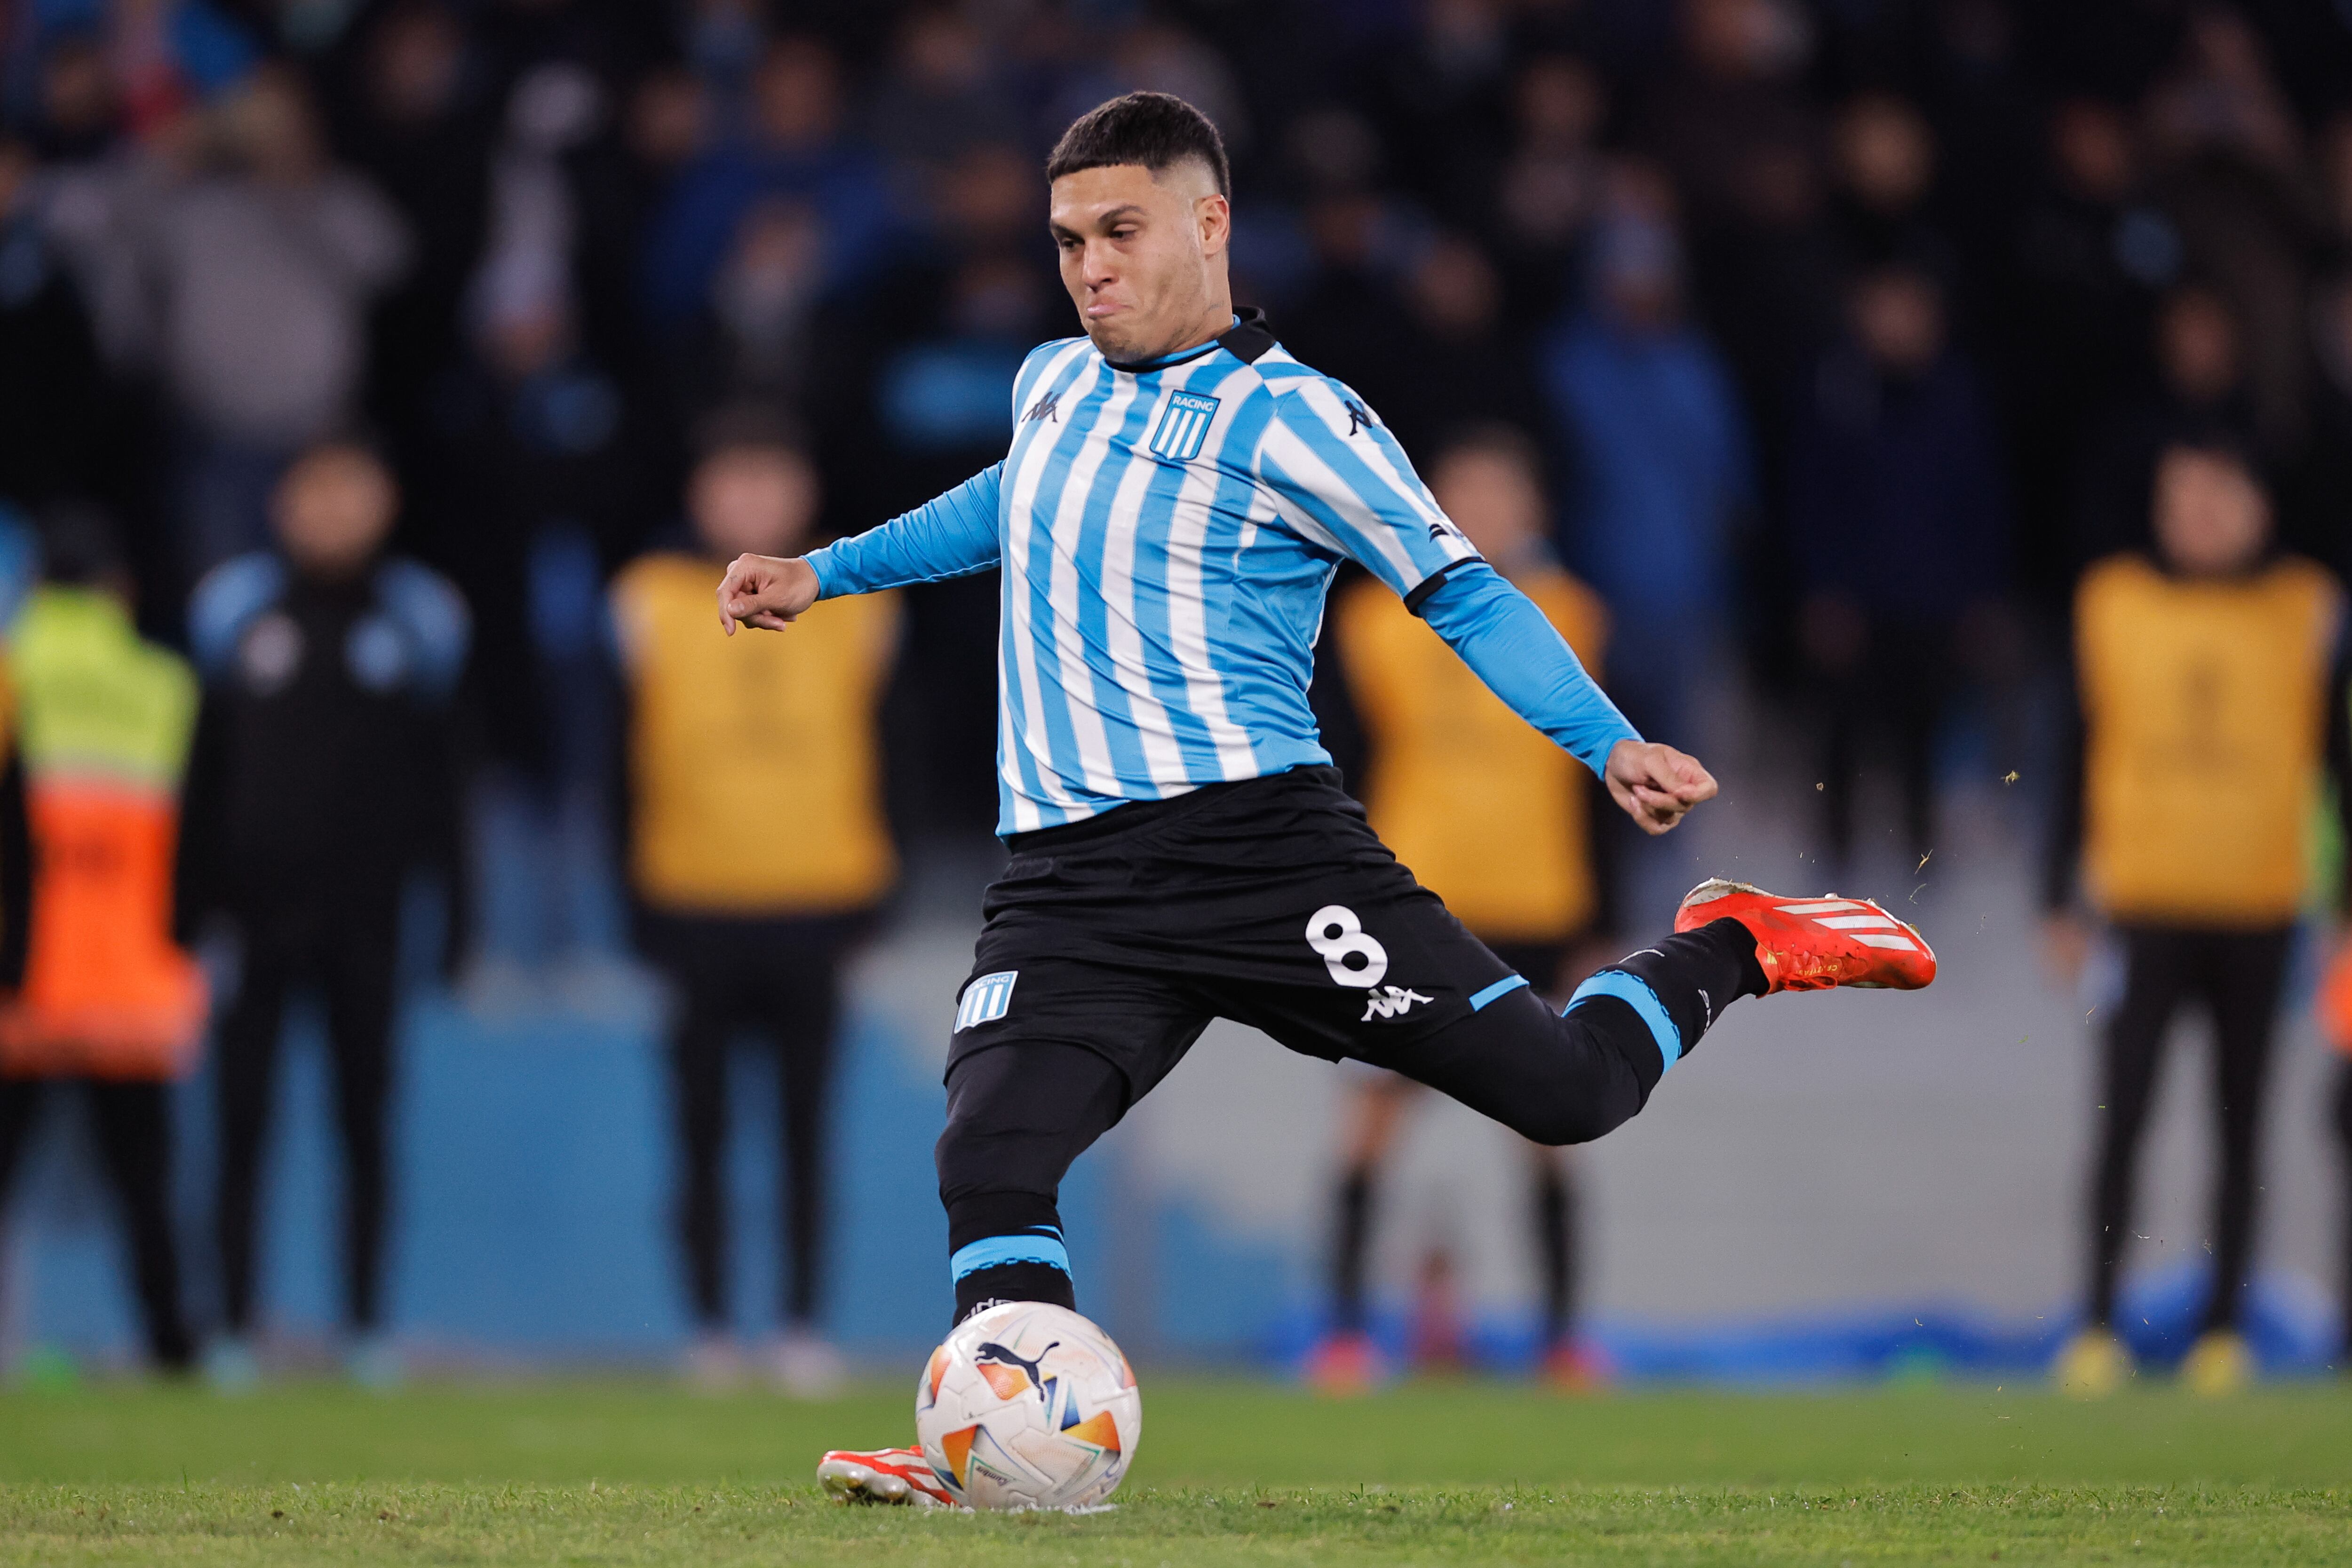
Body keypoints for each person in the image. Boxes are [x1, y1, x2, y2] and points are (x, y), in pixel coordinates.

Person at [712, 94, 1936, 1507]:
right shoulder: (1050, 382)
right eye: (1067, 241)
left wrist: (1607, 743)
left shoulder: (1299, 417)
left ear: (1209, 223)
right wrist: (826, 570)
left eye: (1119, 232)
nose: (1088, 268)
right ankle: (991, 1447)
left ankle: (1731, 941)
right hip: (1067, 885)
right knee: (989, 1150)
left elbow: (1461, 589)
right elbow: (1006, 500)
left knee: (1569, 1094)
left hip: (1260, 855)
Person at [1310, 425, 1615, 1392]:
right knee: (1370, 1119)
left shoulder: (1577, 617)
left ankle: (1563, 1342)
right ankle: (1344, 1337)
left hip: (1537, 903)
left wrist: (1601, 921)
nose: (1481, 510)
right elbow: (1335, 764)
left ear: (1534, 510)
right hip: (1411, 903)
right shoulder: (1370, 621)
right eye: (1462, 492)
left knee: (1550, 1129)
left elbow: (1607, 771)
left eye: (1499, 492)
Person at [2043, 438, 2346, 1398]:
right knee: (2121, 1117)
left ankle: (2223, 1331)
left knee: (2242, 1125)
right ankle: (2097, 1323)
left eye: (2217, 497)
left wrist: (2343, 903)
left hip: (2260, 905)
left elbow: (2337, 761)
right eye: (2181, 499)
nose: (2199, 517)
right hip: (2141, 905)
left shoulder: (2305, 607)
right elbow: (2075, 749)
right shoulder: (2115, 601)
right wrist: (2055, 895)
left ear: (2258, 505)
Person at [610, 408, 899, 1395]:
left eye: (770, 479)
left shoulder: (860, 600)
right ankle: (709, 1327)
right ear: (699, 492)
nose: (750, 500)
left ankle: (802, 1324)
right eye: (732, 480)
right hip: (692, 899)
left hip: (819, 897)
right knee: (699, 1132)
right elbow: (615, 757)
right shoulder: (647, 599)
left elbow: (892, 749)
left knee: (807, 1132)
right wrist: (634, 899)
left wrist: (879, 891)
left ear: (804, 491)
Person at [179, 438, 469, 1389]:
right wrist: (188, 910)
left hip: (368, 920)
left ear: (386, 503)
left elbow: (444, 783)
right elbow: (201, 774)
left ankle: (365, 1327)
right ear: (284, 502)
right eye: (319, 491)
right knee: (242, 1127)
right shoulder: (233, 612)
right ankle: (232, 1325)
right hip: (252, 921)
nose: (336, 510)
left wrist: (456, 913)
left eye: (355, 490)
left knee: (365, 1128)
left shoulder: (419, 618)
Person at [0, 506, 203, 1373]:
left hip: (21, 975)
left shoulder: (11, 675)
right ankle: (174, 1351)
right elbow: (206, 838)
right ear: (120, 590)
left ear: (34, 585)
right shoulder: (165, 685)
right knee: (145, 1187)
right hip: (130, 973)